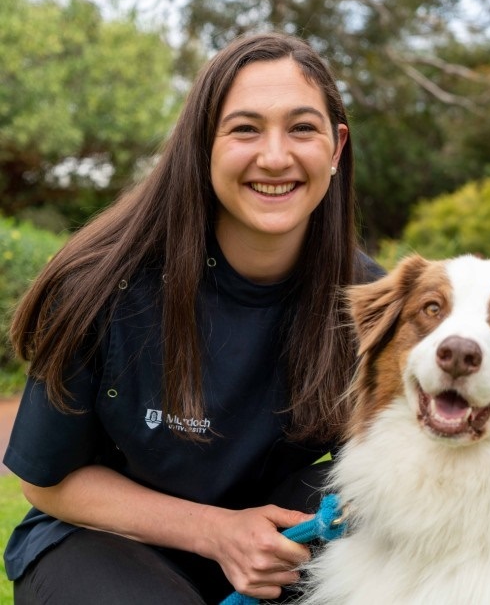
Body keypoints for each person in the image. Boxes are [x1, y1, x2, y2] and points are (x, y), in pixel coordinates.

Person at [3, 32, 383, 604]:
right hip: (104, 539)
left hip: (276, 539)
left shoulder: (370, 301)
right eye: (245, 128)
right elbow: (45, 480)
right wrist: (217, 532)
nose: (275, 156)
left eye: (302, 128)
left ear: (336, 148)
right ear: (202, 144)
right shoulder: (102, 283)